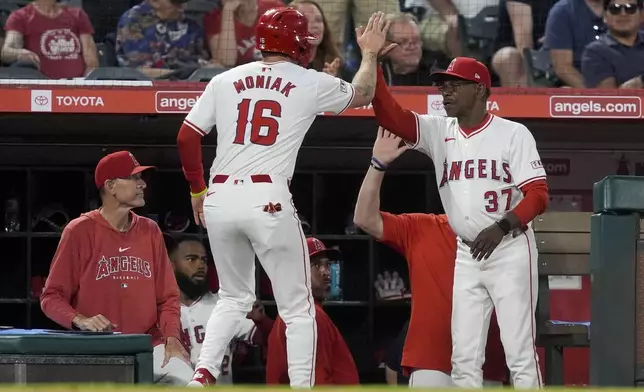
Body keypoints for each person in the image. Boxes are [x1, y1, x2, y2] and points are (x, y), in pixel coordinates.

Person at [176, 8, 393, 388]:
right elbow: (363, 94)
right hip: (267, 195)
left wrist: (197, 190)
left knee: (233, 298)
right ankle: (300, 386)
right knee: (298, 307)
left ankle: (201, 375)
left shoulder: (225, 79)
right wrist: (371, 53)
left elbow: (187, 137)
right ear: (296, 43)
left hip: (220, 194)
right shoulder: (308, 81)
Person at [369, 57, 549, 388]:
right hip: (467, 253)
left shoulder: (513, 134)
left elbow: (538, 195)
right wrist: (375, 64)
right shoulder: (440, 131)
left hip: (509, 249)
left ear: (479, 89)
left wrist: (502, 226)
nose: (444, 92)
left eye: (454, 85)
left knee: (520, 353)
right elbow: (391, 116)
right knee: (464, 358)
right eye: (442, 86)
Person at [354, 128, 510, 388]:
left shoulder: (504, 234)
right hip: (431, 362)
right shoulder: (421, 228)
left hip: (486, 363)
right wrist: (377, 164)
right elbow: (364, 218)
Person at [40, 151, 193, 385]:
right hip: (97, 349)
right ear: (111, 186)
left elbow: (168, 298)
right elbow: (51, 297)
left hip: (148, 345)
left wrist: (172, 338)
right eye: (133, 178)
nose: (142, 184)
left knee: (186, 380)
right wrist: (80, 319)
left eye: (141, 178)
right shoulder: (79, 230)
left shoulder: (150, 230)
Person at [165, 235, 274, 385]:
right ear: (172, 266)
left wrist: (261, 320)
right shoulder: (161, 310)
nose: (200, 265)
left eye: (204, 260)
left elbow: (269, 339)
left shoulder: (224, 304)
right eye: (192, 259)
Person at [265, 237, 359, 385]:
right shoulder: (309, 315)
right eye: (316, 265)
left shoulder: (293, 311)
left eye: (327, 265)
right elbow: (318, 382)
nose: (326, 272)